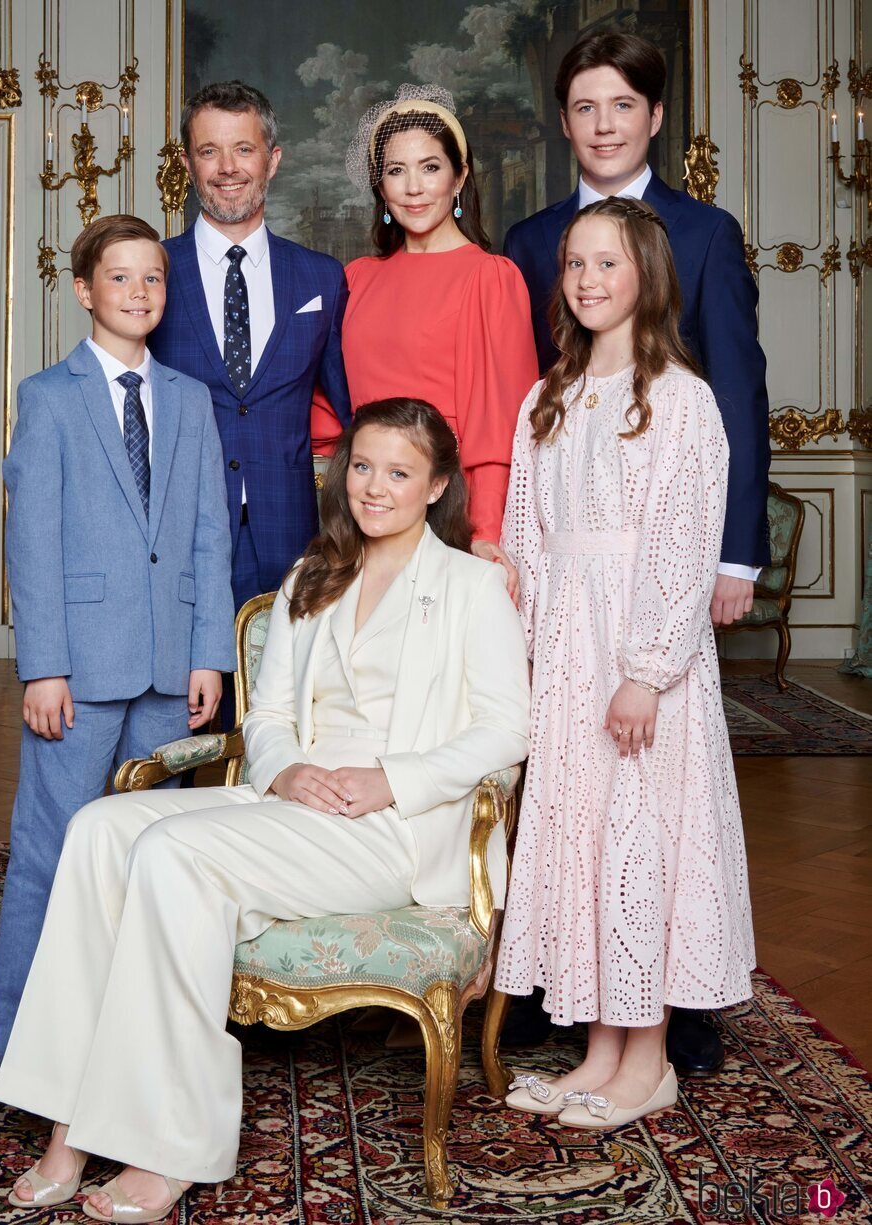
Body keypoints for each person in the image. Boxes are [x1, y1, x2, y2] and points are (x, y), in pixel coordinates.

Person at [0, 398, 531, 1222]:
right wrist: (284, 772)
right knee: (98, 829)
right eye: (361, 466)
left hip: (390, 828)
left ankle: (167, 1141)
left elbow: (508, 728)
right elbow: (269, 718)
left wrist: (393, 777)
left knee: (174, 856)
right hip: (295, 803)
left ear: (438, 485)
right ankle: (70, 1119)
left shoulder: (470, 584)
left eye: (398, 472)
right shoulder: (311, 577)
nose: (373, 487)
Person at [501, 32, 769, 1069]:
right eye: (582, 106)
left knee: (649, 817)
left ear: (652, 116)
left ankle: (660, 1030)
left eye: (621, 105)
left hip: (642, 608)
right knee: (575, 820)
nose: (603, 124)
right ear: (563, 121)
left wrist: (727, 564)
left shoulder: (699, 256)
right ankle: (589, 1024)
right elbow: (531, 508)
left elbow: (729, 406)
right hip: (566, 621)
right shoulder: (538, 297)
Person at [0, 215, 236, 1096]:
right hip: (80, 669)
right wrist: (42, 666)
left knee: (146, 852)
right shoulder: (50, 396)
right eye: (119, 278)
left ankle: (120, 1033)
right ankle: (14, 1039)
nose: (138, 293)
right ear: (86, 290)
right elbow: (33, 543)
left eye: (153, 279)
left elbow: (210, 535)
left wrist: (211, 654)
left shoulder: (192, 398)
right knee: (52, 847)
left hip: (171, 669)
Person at [312, 85, 539, 587]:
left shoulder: (492, 278)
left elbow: (501, 424)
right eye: (396, 171)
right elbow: (328, 405)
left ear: (459, 178)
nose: (414, 187)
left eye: (430, 167)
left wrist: (485, 531)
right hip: (361, 507)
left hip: (448, 510)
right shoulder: (357, 278)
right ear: (381, 188)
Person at [148, 80, 351, 615]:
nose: (227, 167)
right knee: (188, 695)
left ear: (272, 160)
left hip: (291, 528)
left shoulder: (321, 278)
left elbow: (352, 411)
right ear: (189, 165)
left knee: (284, 693)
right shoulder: (155, 272)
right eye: (208, 151)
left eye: (243, 149)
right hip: (178, 525)